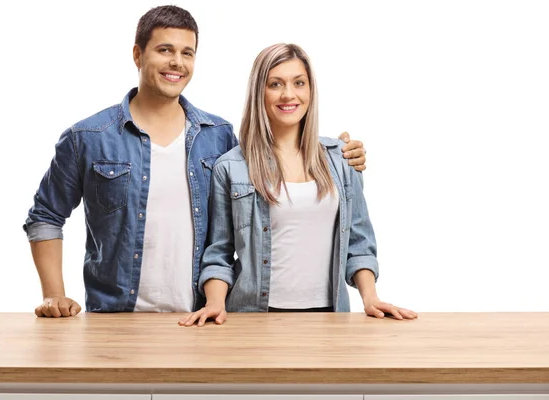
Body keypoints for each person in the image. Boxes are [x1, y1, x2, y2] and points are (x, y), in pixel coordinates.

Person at [24, 6, 368, 318]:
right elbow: (45, 216)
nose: (177, 62)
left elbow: (251, 205)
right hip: (115, 316)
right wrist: (54, 295)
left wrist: (336, 153)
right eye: (165, 50)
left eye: (186, 53)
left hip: (199, 316)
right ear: (137, 55)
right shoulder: (88, 137)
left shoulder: (217, 137)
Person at [179, 43, 417, 327]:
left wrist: (371, 298)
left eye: (298, 83)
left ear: (310, 91)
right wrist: (215, 303)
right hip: (254, 317)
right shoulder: (232, 167)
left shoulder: (341, 161)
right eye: (275, 84)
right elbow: (219, 253)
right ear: (260, 93)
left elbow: (359, 243)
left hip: (331, 317)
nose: (288, 94)